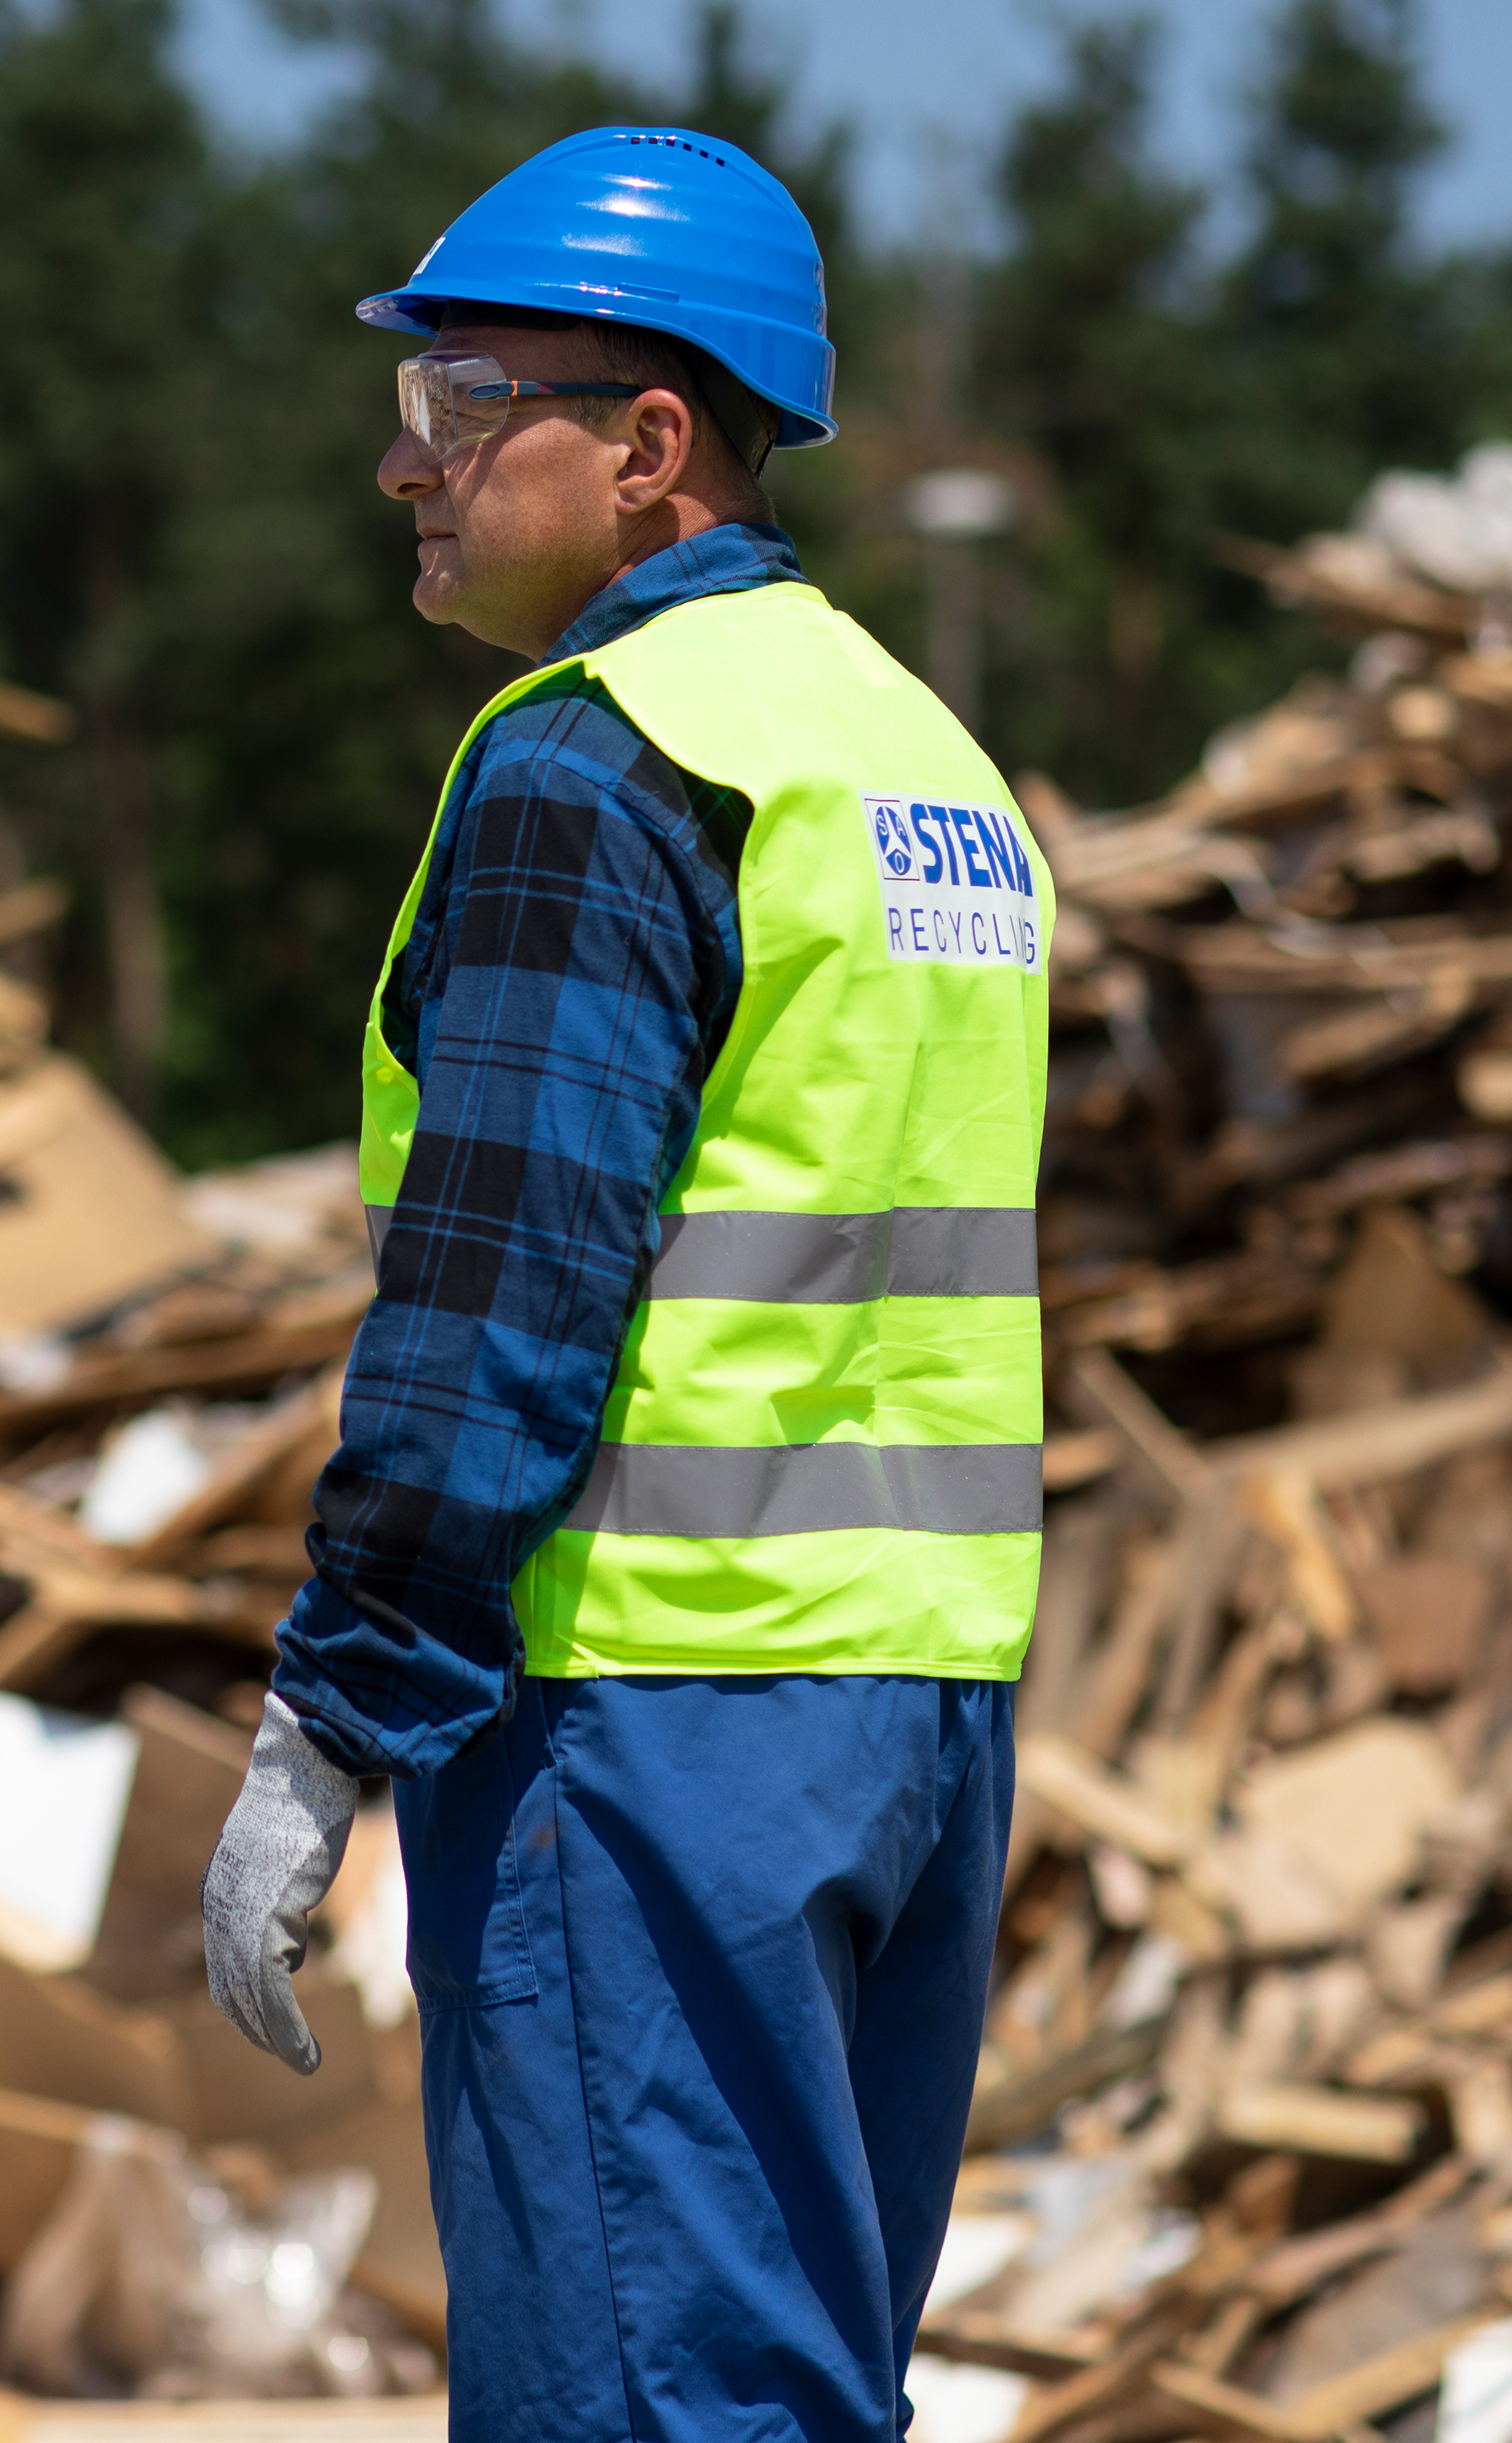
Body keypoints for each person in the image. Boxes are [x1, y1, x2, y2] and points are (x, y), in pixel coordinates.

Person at [199, 126, 1052, 2443]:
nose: (406, 465)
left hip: (649, 1726)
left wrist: (336, 1720)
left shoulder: (607, 763)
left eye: (465, 403)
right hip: (914, 1723)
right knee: (781, 2391)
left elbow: (505, 1292)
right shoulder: (923, 765)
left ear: (652, 444)